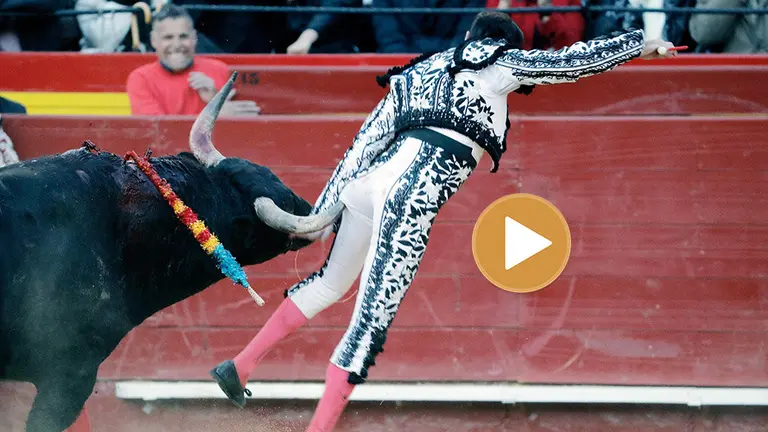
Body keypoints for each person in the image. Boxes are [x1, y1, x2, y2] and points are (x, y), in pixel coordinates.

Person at [210, 11, 676, 432]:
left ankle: (243, 364)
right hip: (411, 195)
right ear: (501, 44)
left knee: (330, 283)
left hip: (370, 185)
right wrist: (639, 45)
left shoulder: (415, 73)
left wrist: (320, 218)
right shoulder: (497, 64)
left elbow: (363, 146)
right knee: (370, 320)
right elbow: (568, 63)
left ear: (469, 34)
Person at [126, 3, 260, 116]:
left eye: (183, 36)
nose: (177, 45)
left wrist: (218, 104)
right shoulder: (140, 78)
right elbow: (158, 132)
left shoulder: (219, 69)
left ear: (194, 38)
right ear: (154, 41)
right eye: (168, 37)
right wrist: (214, 114)